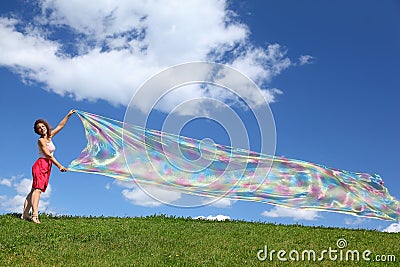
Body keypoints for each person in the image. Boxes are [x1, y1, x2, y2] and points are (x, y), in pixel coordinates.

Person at [21, 109, 75, 224]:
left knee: (33, 191)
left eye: (43, 126)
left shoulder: (50, 136)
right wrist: (60, 166)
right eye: (39, 128)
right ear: (37, 131)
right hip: (41, 164)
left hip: (47, 166)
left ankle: (24, 215)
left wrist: (69, 115)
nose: (42, 128)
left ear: (46, 126)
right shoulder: (41, 140)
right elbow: (48, 155)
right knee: (37, 190)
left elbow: (60, 126)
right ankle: (35, 215)